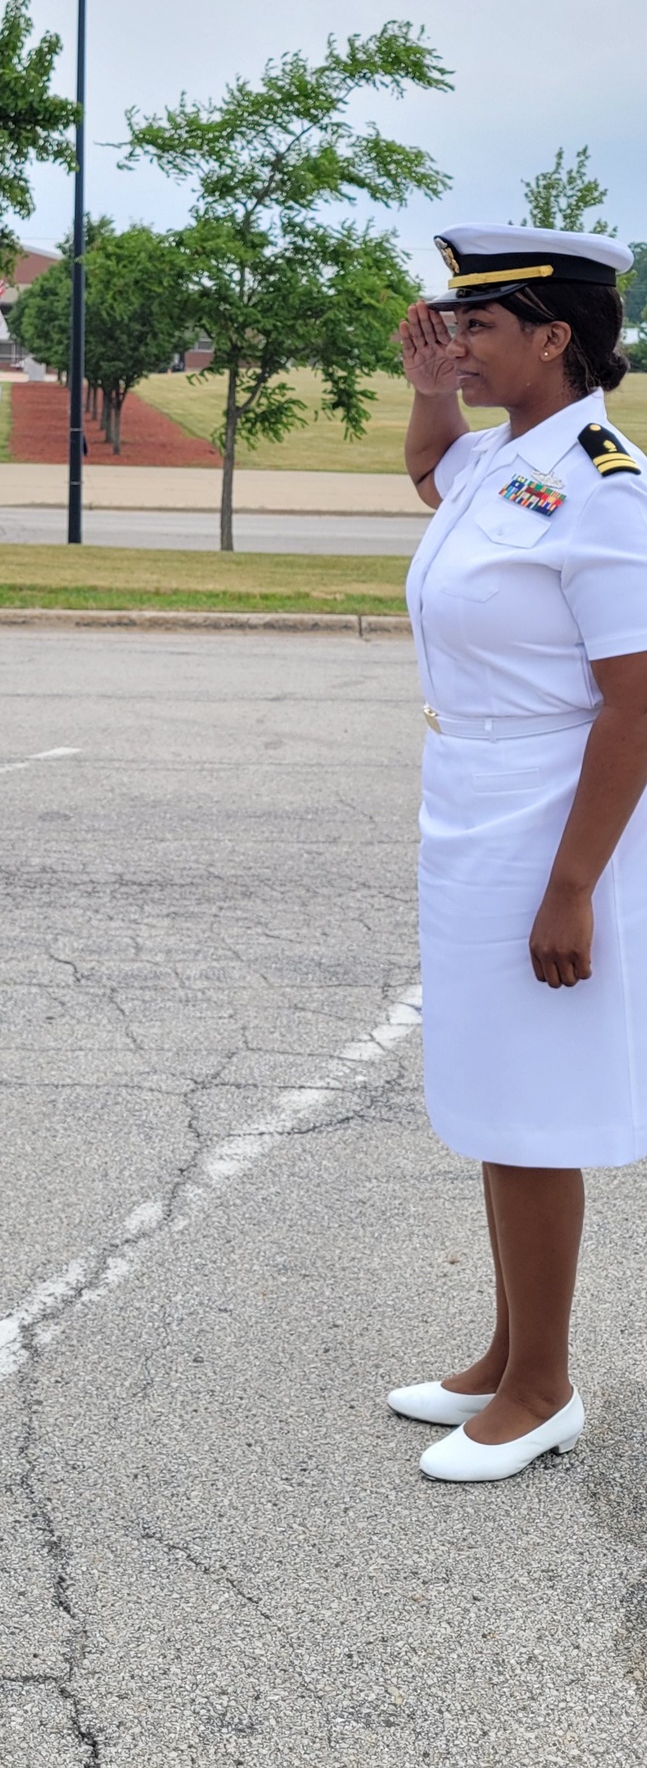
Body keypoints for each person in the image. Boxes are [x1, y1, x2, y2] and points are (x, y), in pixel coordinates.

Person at [389, 222, 647, 1484]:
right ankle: (503, 1351)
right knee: (497, 1085)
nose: (459, 341)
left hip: (552, 820)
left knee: (535, 1099)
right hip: (477, 799)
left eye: (480, 326)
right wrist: (430, 397)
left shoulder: (603, 481)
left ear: (555, 337)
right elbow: (430, 477)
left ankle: (543, 1386)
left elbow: (638, 701)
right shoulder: (507, 459)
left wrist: (572, 886)